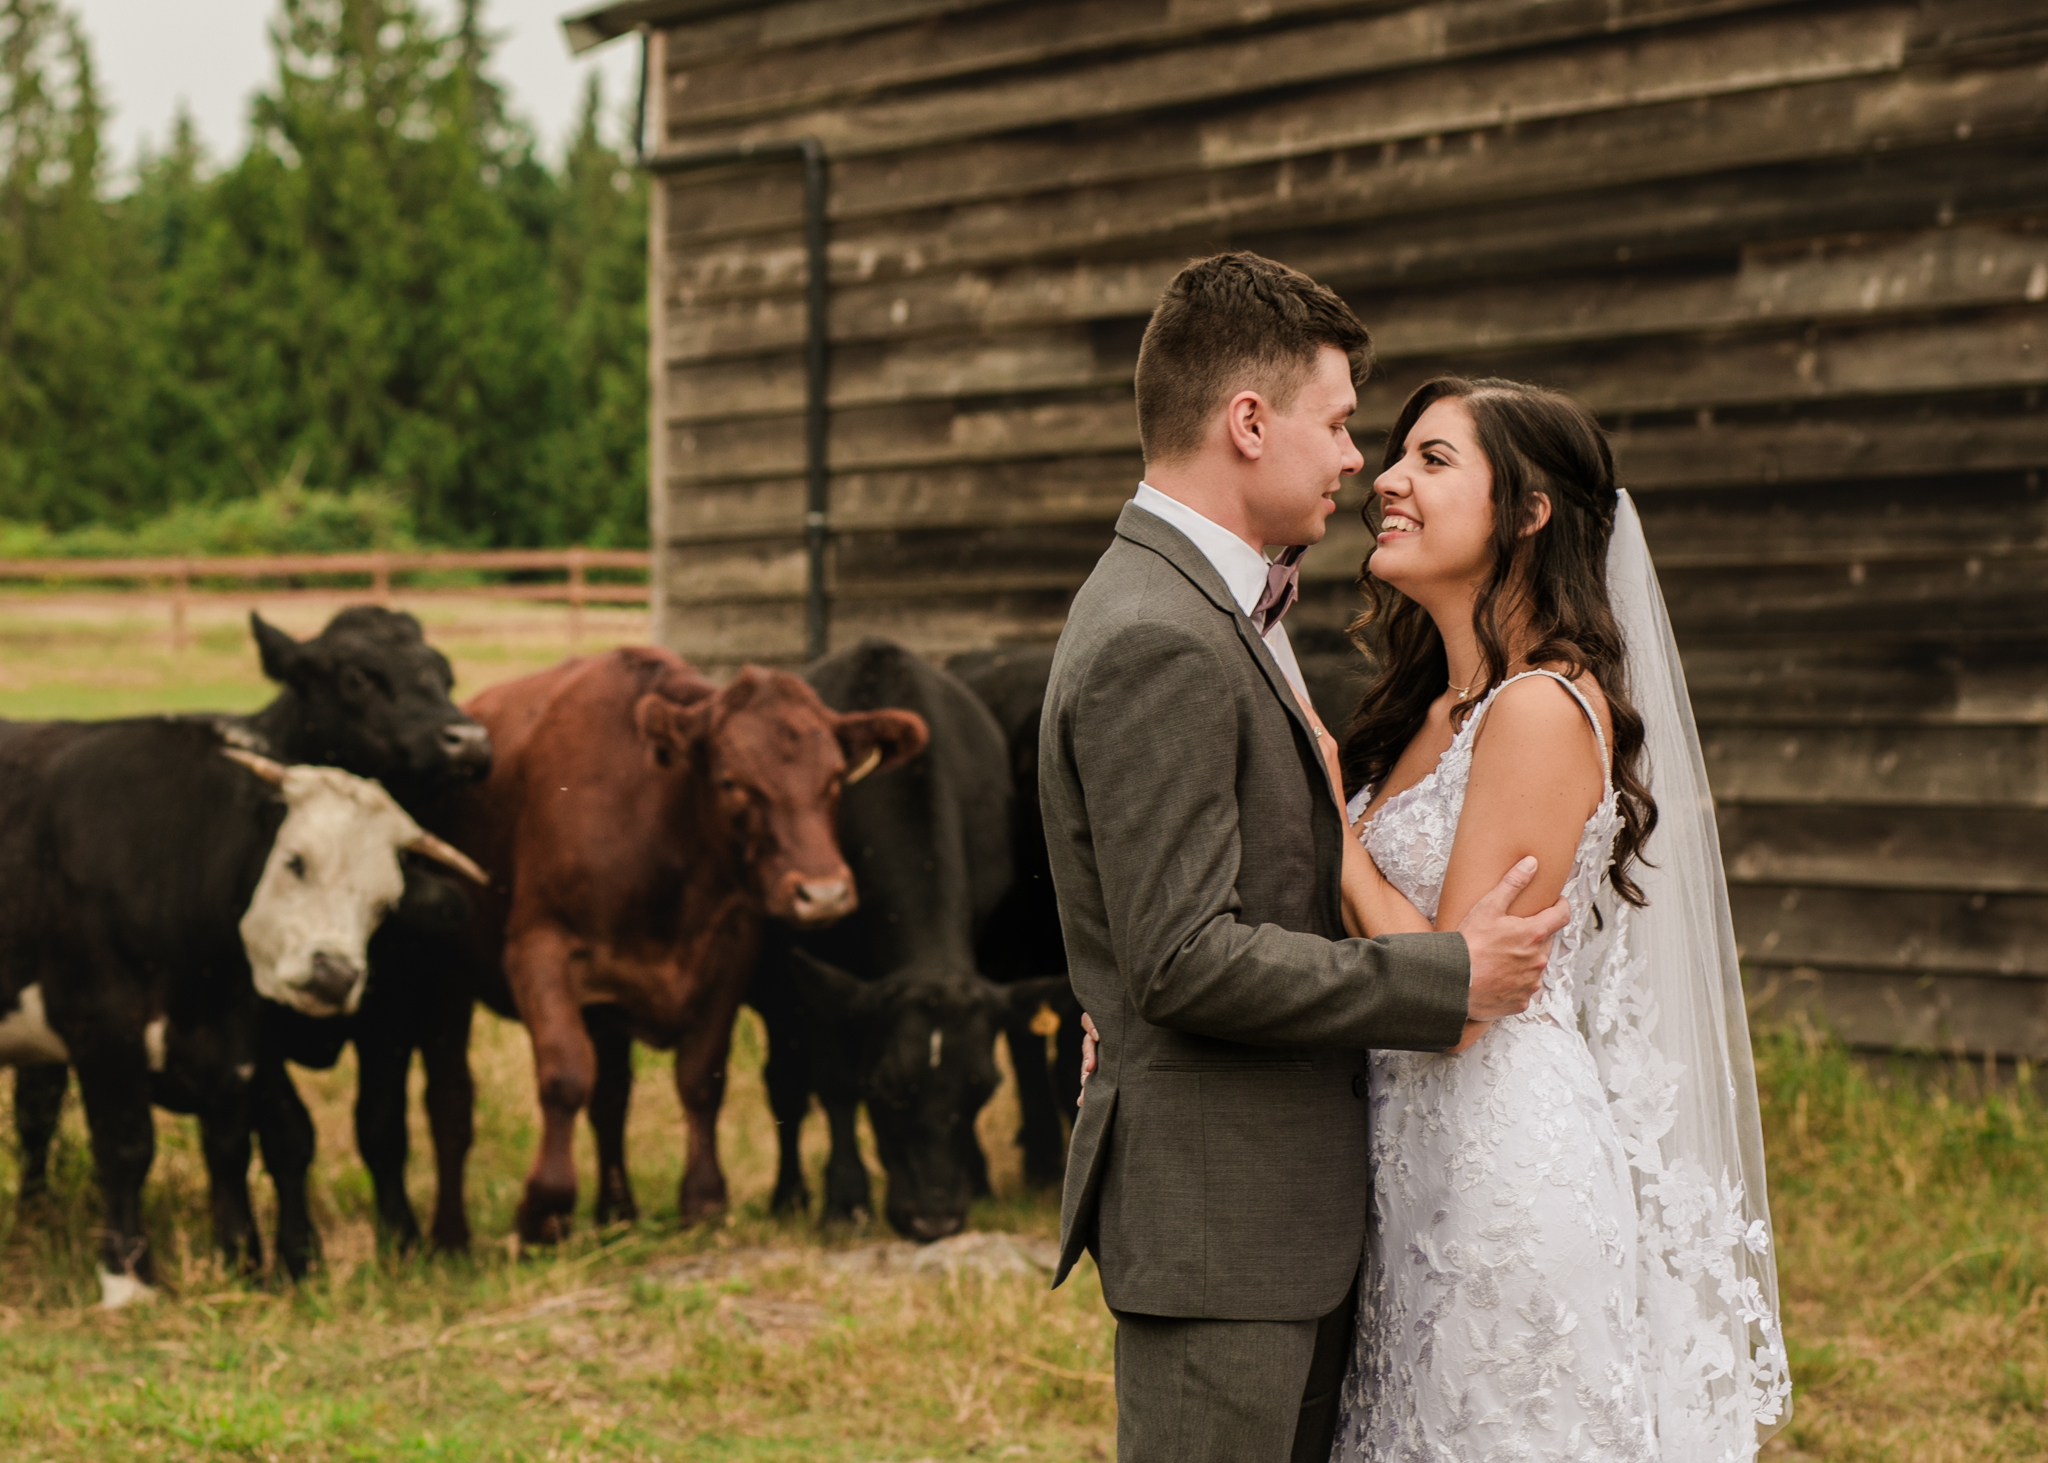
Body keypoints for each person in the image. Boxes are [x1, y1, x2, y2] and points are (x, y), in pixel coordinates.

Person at [1038, 252, 1574, 1463]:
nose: (1353, 459)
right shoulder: (1160, 634)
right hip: (1224, 1230)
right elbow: (1181, 956)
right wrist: (1446, 975)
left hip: (1294, 1216)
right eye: (1335, 423)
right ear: (1247, 422)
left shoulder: (1217, 607)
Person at [1323, 376, 1791, 1460]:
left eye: (1433, 459)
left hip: (1499, 1168)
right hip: (1408, 1161)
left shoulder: (1538, 708)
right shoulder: (1424, 709)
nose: (1385, 480)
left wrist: (1334, 837)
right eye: (1395, 455)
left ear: (1529, 511)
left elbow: (1453, 998)